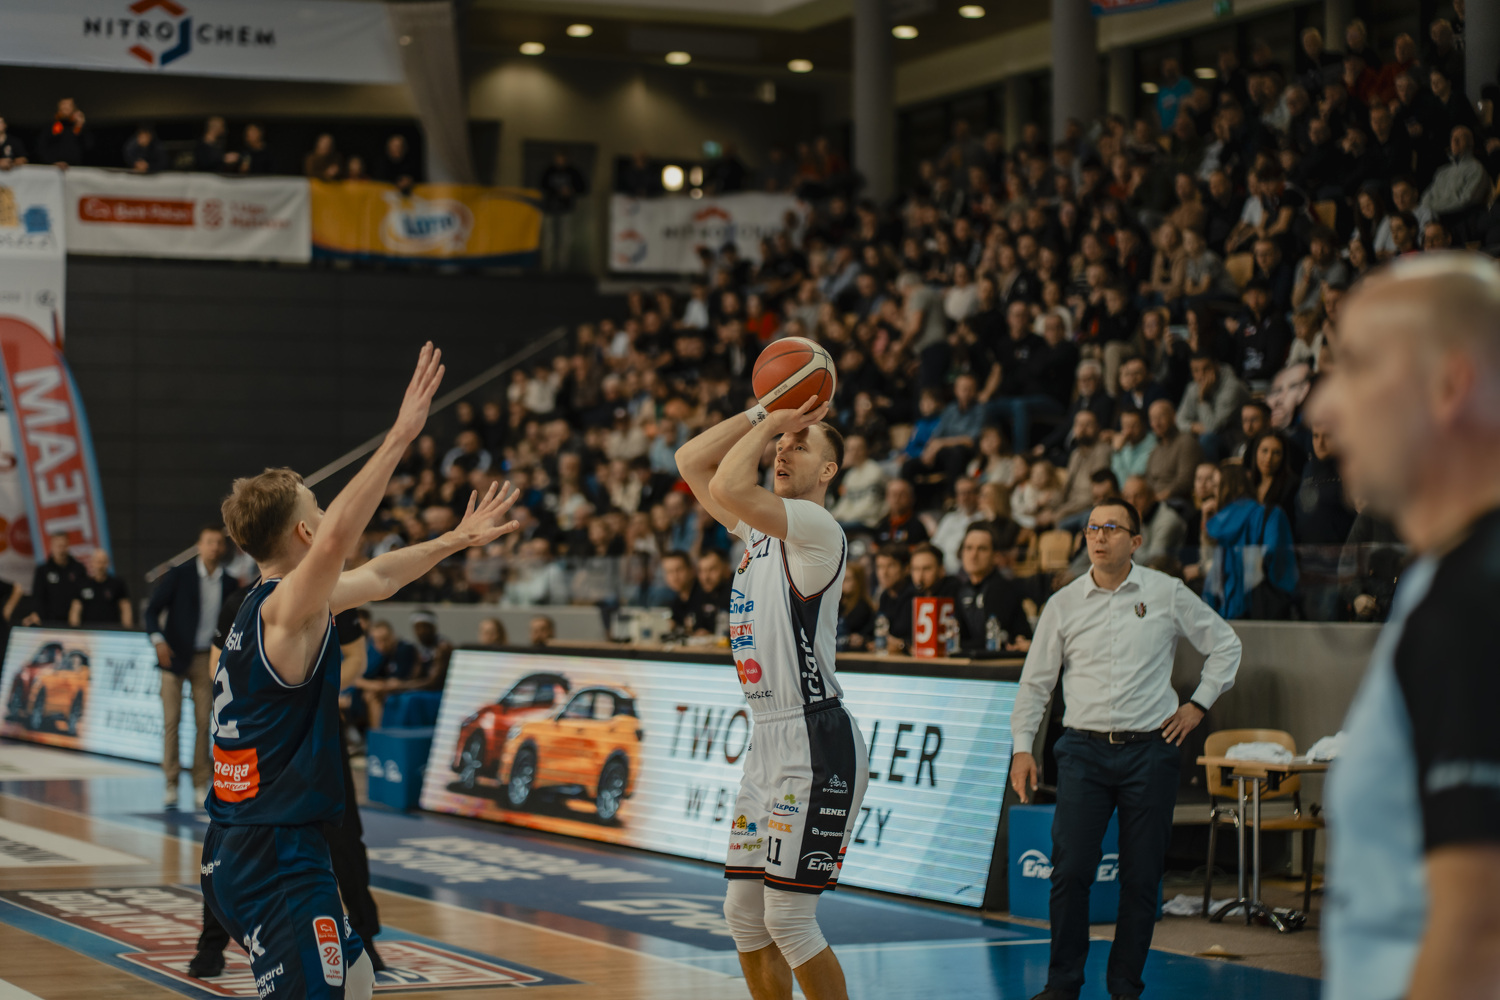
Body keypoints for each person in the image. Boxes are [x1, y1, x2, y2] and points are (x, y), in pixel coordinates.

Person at [201, 343, 521, 1000]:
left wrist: (456, 540)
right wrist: (401, 435)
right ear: (304, 534)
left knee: (356, 979)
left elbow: (379, 577)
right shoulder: (286, 610)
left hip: (254, 842)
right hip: (273, 852)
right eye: (316, 508)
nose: (325, 516)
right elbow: (344, 539)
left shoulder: (267, 606)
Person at [1310, 253, 1500, 1000]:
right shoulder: (1440, 579)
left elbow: (1478, 936)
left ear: (1449, 386)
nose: (1322, 405)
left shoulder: (1475, 600)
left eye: (1357, 366)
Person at [675, 395, 869, 1000]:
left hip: (816, 739)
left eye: (799, 446)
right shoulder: (759, 532)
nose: (783, 451)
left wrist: (774, 420)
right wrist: (763, 412)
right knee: (743, 913)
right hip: (768, 739)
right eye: (782, 445)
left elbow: (729, 482)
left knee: (788, 918)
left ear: (828, 470)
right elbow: (690, 461)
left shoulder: (817, 526)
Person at [1011, 496, 1241, 1000]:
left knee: (1141, 877)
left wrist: (1198, 705)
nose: (1098, 536)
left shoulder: (1166, 592)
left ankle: (1125, 988)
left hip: (1150, 751)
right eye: (1092, 528)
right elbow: (1035, 683)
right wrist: (1023, 747)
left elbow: (1226, 644)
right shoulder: (1063, 603)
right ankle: (1062, 984)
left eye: (1111, 528)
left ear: (1135, 541)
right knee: (1070, 870)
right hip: (1082, 751)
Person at [190, 594, 385, 978]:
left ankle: (364, 935)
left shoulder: (330, 593)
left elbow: (356, 657)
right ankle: (211, 943)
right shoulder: (242, 602)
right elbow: (217, 664)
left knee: (344, 835)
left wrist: (313, 691)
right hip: (259, 738)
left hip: (316, 731)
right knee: (231, 838)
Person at [145, 526, 236, 808]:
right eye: (209, 542)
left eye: (218, 542)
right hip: (173, 656)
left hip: (206, 658)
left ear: (223, 547)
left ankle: (200, 782)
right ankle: (171, 782)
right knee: (172, 721)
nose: (214, 547)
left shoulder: (230, 582)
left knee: (204, 722)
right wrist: (158, 640)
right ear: (199, 545)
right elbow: (151, 611)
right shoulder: (179, 574)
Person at [953, 524, 1031, 655]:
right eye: (968, 548)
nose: (973, 555)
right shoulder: (961, 590)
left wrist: (956, 644)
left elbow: (991, 641)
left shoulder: (1004, 590)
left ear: (996, 556)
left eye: (982, 549)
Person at [539, 151, 589, 272]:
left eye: (562, 158)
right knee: (549, 238)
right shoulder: (549, 171)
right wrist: (557, 191)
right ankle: (548, 265)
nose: (560, 161)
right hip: (550, 209)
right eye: (558, 158)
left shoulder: (573, 172)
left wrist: (571, 191)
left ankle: (563, 266)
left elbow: (583, 187)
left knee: (565, 238)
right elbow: (542, 186)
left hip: (566, 209)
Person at [26, 532, 85, 625]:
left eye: (64, 546)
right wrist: (35, 612)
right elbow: (37, 595)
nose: (61, 550)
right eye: (58, 546)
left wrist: (77, 605)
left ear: (68, 546)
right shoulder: (43, 570)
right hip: (49, 622)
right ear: (51, 547)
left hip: (74, 622)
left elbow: (84, 592)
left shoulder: (78, 568)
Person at [68, 549, 131, 627]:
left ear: (108, 563)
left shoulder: (117, 584)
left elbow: (125, 608)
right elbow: (75, 609)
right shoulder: (82, 584)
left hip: (112, 630)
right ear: (92, 563)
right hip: (89, 630)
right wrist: (75, 630)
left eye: (103, 562)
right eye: (97, 562)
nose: (100, 566)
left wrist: (127, 629)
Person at [872, 545, 914, 653]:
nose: (884, 573)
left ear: (906, 568)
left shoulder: (915, 597)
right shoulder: (884, 596)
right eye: (880, 567)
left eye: (891, 566)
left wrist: (902, 645)